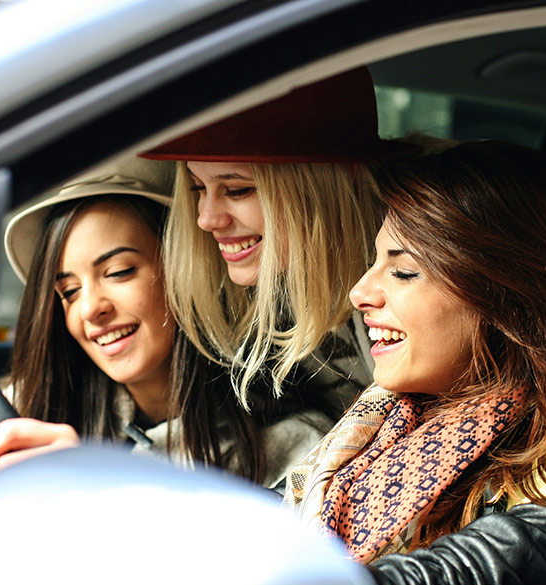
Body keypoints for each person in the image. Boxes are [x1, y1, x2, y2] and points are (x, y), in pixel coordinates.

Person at [284, 140, 546, 585]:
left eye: (404, 272)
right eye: (374, 262)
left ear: (507, 297)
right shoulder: (378, 433)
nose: (360, 291)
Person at [0, 158, 331, 486]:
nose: (89, 309)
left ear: (185, 265)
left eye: (119, 272)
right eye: (68, 291)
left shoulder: (298, 446)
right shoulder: (23, 419)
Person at [140, 67, 423, 414]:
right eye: (197, 188)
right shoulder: (270, 295)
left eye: (238, 190)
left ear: (328, 185)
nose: (206, 218)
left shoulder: (421, 282)